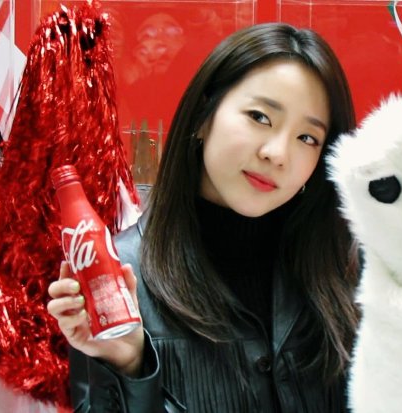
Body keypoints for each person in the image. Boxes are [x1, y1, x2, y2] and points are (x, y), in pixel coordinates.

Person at [47, 22, 359, 413]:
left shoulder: (345, 271)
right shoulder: (123, 281)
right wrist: (129, 365)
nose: (278, 153)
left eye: (307, 138)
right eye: (260, 117)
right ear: (203, 116)